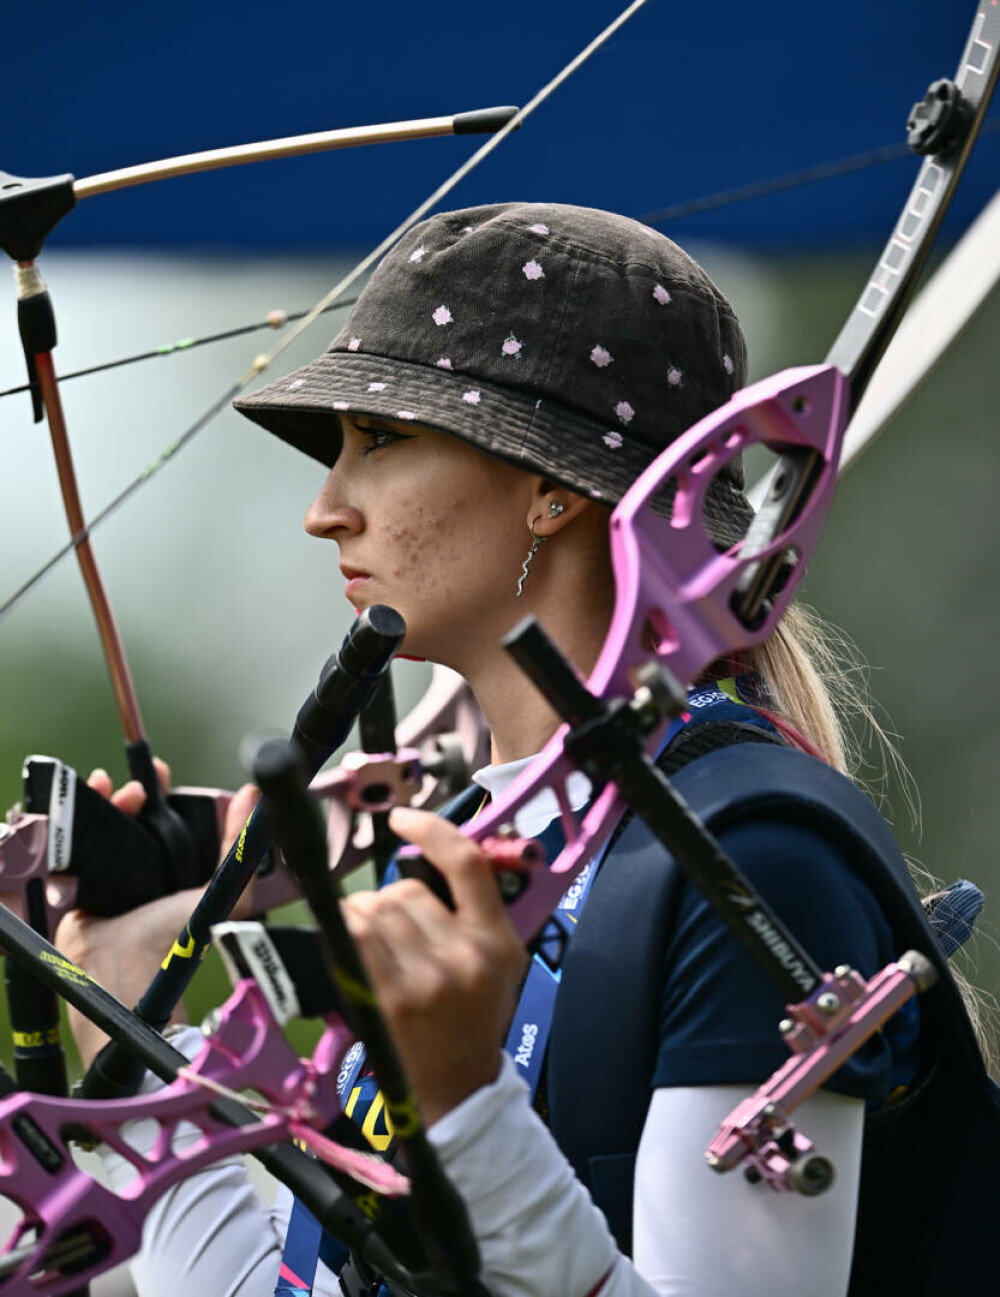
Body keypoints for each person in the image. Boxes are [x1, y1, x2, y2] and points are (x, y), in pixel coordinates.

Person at [56, 202, 992, 1297]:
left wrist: (466, 1102)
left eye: (384, 439)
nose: (325, 508)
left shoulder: (756, 861)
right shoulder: (476, 846)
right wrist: (123, 998)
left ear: (551, 486)